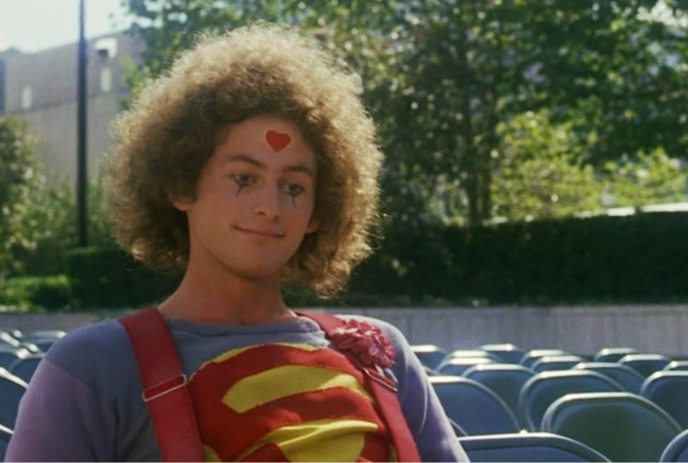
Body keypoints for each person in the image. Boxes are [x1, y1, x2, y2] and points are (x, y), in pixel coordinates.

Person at [6, 23, 467, 462]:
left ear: (318, 211)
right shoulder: (93, 369)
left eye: (294, 187)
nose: (271, 205)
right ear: (181, 185)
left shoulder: (382, 355)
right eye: (244, 178)